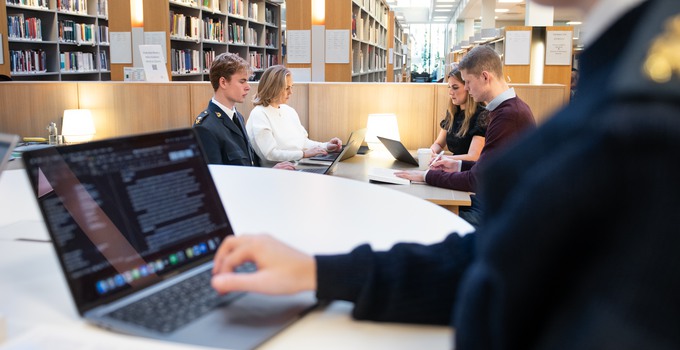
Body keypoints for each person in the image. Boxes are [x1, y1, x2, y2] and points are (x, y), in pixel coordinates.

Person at [211, 0, 680, 348]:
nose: (464, 92)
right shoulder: (627, 78)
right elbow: (503, 255)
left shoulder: (639, 121)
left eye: (467, 84)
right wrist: (318, 271)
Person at [396, 45, 536, 227]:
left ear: (485, 77)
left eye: (468, 82)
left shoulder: (508, 115)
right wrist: (457, 164)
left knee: (424, 218)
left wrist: (426, 176)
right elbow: (490, 167)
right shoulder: (507, 109)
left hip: (504, 213)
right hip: (497, 201)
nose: (467, 88)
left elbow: (477, 180)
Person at [193, 53, 294, 170]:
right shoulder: (205, 127)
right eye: (242, 81)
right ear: (223, 82)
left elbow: (249, 165)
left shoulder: (237, 117)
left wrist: (271, 171)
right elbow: (217, 181)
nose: (248, 87)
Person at [246, 65, 342, 166]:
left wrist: (326, 146)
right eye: (287, 88)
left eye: (291, 87)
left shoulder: (289, 111)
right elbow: (270, 154)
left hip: (298, 164)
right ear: (273, 88)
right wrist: (303, 154)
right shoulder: (259, 114)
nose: (291, 92)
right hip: (278, 172)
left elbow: (303, 143)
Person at [429, 67, 487, 162]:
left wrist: (442, 159)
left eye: (455, 87)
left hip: (468, 170)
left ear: (468, 87)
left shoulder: (482, 115)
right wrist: (431, 152)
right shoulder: (453, 112)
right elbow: (439, 144)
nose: (450, 92)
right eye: (449, 87)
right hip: (452, 166)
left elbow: (474, 157)